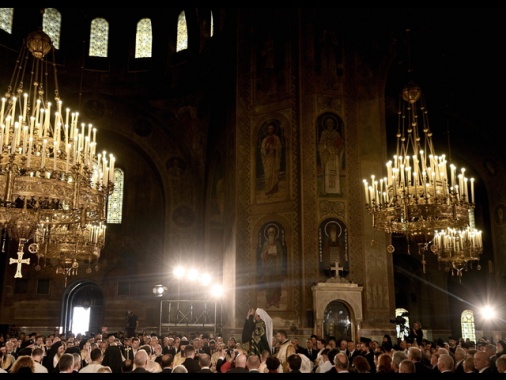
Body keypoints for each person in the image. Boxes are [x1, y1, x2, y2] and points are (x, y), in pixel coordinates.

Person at [260, 225, 287, 309]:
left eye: (273, 232)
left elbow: (281, 255)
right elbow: (262, 256)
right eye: (270, 232)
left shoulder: (277, 244)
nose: (271, 234)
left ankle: (275, 301)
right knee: (268, 285)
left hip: (276, 267)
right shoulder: (265, 244)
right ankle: (268, 302)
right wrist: (266, 252)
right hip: (267, 268)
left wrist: (277, 255)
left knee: (276, 285)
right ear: (268, 234)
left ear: (275, 234)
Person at [318, 115, 344, 195]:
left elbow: (340, 144)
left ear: (333, 124)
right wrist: (325, 147)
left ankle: (336, 190)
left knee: (335, 171)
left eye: (331, 123)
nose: (330, 125)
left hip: (335, 154)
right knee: (327, 171)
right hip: (327, 155)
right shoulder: (324, 133)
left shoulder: (336, 133)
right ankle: (326, 190)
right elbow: (321, 144)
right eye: (328, 123)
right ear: (326, 124)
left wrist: (338, 146)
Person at [260, 121, 282, 196]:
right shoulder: (264, 140)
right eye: (269, 129)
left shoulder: (276, 138)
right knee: (268, 175)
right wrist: (266, 149)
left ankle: (273, 189)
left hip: (274, 158)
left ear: (274, 129)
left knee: (274, 174)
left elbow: (279, 148)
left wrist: (274, 149)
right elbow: (262, 150)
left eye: (272, 128)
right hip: (268, 158)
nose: (270, 130)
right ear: (267, 130)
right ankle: (268, 189)